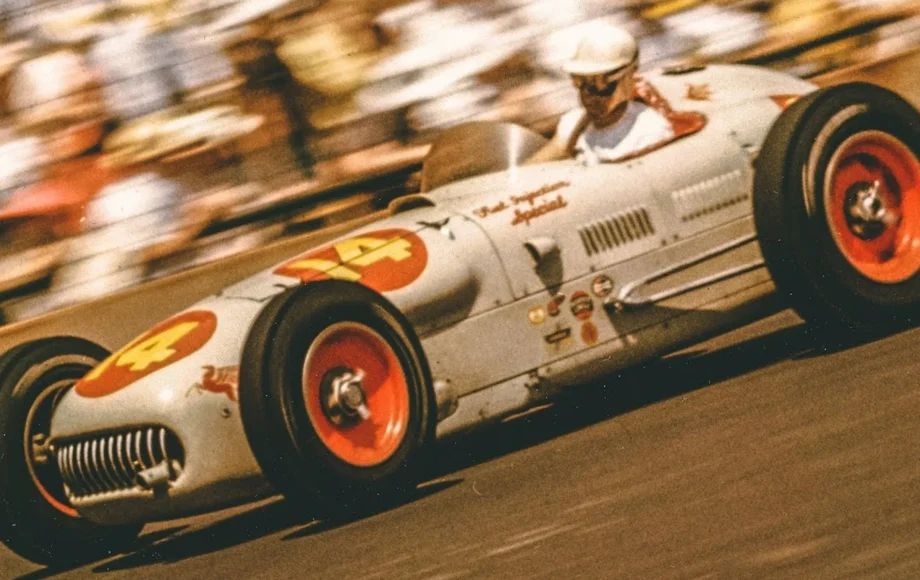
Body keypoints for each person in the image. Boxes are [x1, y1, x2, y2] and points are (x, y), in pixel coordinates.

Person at [528, 24, 676, 166]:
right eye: (580, 82)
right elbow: (531, 171)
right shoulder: (574, 124)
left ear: (628, 77)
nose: (588, 95)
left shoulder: (649, 131)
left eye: (601, 85)